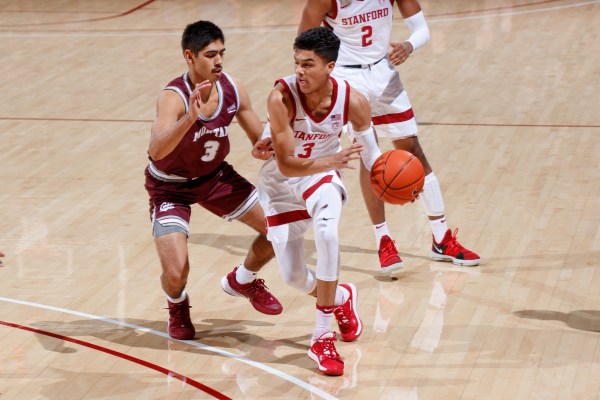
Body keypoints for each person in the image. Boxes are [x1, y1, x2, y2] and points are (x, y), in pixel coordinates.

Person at [299, 0, 480, 273]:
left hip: (383, 72)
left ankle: (442, 239)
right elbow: (303, 45)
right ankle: (383, 240)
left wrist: (409, 45)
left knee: (413, 151)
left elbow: (421, 29)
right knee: (369, 154)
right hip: (347, 78)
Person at [144, 20, 282, 341]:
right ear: (189, 58)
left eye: (221, 53)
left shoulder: (233, 88)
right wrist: (190, 118)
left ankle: (243, 280)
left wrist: (269, 148)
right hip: (170, 187)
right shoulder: (173, 97)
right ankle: (177, 303)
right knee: (177, 273)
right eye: (210, 55)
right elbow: (155, 150)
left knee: (279, 228)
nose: (218, 61)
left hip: (216, 177)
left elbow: (258, 141)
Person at [259, 27, 381, 376]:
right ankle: (340, 297)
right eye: (297, 63)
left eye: (308, 64)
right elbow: (285, 163)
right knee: (294, 278)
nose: (299, 71)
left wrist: (387, 181)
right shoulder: (280, 97)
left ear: (330, 66)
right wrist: (333, 160)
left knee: (328, 233)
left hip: (322, 178)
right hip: (282, 182)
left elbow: (373, 156)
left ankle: (321, 337)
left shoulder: (353, 102)